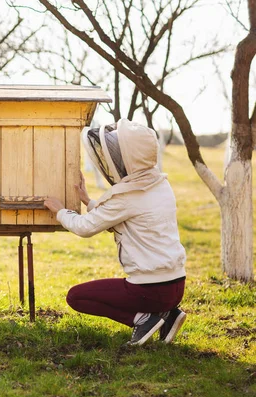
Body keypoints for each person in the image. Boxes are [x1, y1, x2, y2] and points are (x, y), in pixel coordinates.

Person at [44, 119, 187, 346]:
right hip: (176, 284)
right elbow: (127, 216)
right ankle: (168, 314)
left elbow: (85, 227)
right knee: (100, 293)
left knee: (76, 296)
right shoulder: (159, 184)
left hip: (150, 290)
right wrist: (88, 200)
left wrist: (60, 211)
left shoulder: (128, 195)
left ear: (127, 158)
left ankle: (143, 319)